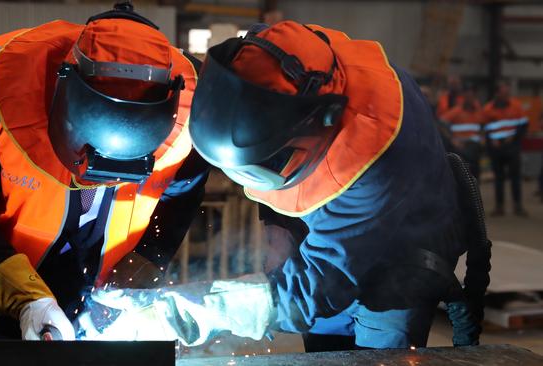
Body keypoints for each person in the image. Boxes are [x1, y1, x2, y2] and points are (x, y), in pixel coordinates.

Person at [83, 21, 491, 351]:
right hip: (331, 231)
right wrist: (277, 224)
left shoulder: (374, 162)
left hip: (399, 259)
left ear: (317, 125)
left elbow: (315, 289)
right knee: (325, 344)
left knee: (376, 350)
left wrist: (179, 313)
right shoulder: (271, 63)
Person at [0, 3, 208, 349]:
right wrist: (28, 299)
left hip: (102, 302)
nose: (102, 184)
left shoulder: (195, 99)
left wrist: (147, 260)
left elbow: (181, 194)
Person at [483, 81, 529, 216]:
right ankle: (499, 206)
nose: (506, 96)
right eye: (504, 94)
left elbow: (524, 125)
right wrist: (491, 140)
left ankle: (517, 206)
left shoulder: (516, 106)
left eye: (507, 93)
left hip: (512, 148)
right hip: (496, 149)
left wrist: (513, 139)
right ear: (497, 94)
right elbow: (484, 129)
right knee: (499, 178)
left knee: (515, 177)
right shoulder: (488, 109)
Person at [440, 85, 484, 179]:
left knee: (475, 177)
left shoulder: (479, 111)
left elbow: (483, 126)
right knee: (462, 177)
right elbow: (441, 123)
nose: (469, 99)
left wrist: (482, 139)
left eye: (471, 97)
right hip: (461, 149)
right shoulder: (456, 111)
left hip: (475, 148)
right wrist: (452, 139)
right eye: (467, 97)